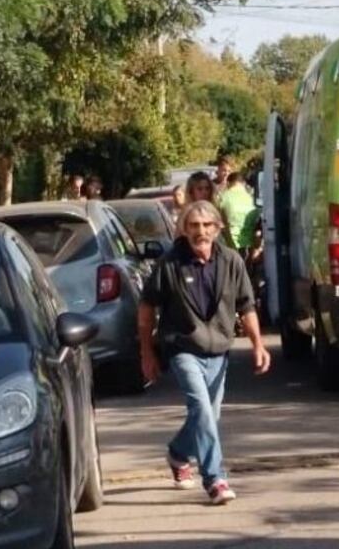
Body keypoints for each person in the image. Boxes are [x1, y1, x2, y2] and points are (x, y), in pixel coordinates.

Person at [137, 201, 271, 505]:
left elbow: (246, 306)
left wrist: (258, 345)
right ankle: (215, 479)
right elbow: (146, 309)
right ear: (184, 229)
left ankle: (178, 453)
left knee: (210, 415)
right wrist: (147, 353)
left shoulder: (231, 261)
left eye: (207, 225)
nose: (201, 231)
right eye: (194, 225)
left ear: (217, 228)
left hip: (218, 349)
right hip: (182, 347)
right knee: (201, 408)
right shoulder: (169, 264)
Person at [217, 172, 258, 255]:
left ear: (228, 183)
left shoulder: (222, 197)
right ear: (243, 183)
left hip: (229, 243)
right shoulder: (252, 198)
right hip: (249, 244)